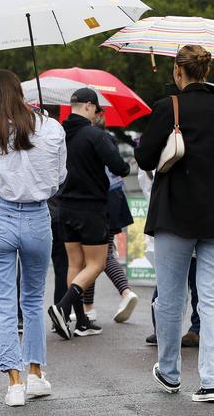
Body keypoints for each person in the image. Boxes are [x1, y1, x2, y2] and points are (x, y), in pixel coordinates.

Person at [135, 44, 214, 403]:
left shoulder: (169, 107)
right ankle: (213, 382)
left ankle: (169, 373)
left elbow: (145, 156)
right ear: (207, 72)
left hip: (175, 215)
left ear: (177, 72)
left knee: (170, 298)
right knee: (212, 299)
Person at [0, 69, 66, 407]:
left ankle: (13, 383)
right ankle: (36, 374)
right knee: (32, 300)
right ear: (20, 92)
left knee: (4, 304)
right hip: (38, 217)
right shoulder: (52, 128)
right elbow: (58, 178)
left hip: (1, 216)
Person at [48, 88, 130, 340]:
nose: (96, 114)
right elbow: (120, 167)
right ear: (88, 106)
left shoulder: (58, 135)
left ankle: (81, 321)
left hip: (64, 208)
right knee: (97, 263)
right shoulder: (94, 135)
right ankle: (62, 308)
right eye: (96, 110)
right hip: (91, 208)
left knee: (75, 264)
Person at [81, 113, 139, 323]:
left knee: (97, 256)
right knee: (99, 254)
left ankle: (123, 293)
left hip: (98, 202)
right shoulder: (109, 139)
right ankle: (90, 307)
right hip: (115, 200)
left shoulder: (87, 141)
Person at [139, 170, 200, 348]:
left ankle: (188, 330)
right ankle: (169, 330)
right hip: (173, 224)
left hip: (176, 224)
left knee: (177, 285)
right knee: (177, 285)